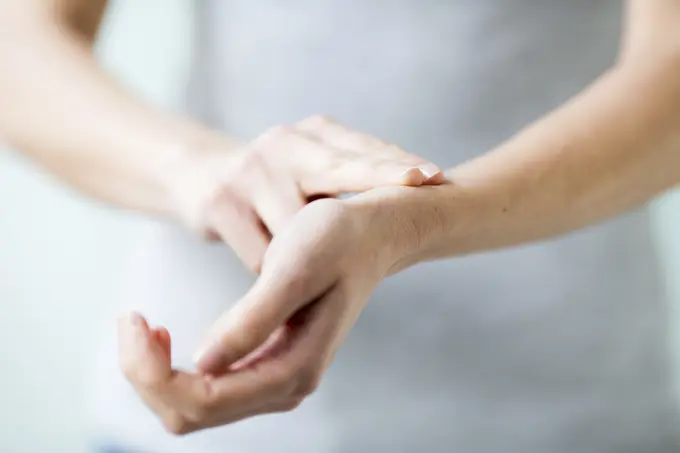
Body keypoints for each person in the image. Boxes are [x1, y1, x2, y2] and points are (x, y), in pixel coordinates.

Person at [2, 0, 680, 452]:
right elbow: (19, 44)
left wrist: (419, 223)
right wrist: (212, 175)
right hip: (199, 419)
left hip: (568, 413)